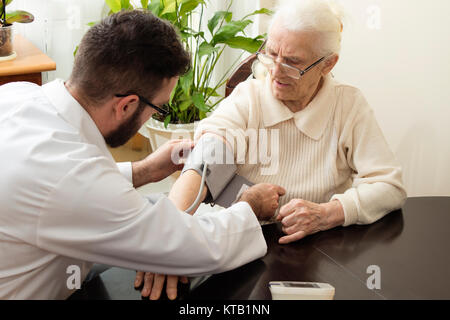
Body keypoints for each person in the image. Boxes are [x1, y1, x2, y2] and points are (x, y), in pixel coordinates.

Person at [0, 10, 285, 299]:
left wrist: (143, 170)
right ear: (126, 105)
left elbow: (69, 186)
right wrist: (249, 206)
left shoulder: (17, 94)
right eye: (158, 108)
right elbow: (194, 247)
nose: (156, 115)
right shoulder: (72, 181)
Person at [135, 0, 407, 299]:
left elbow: (388, 184)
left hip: (318, 256)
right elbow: (206, 159)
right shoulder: (249, 97)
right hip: (242, 246)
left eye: (291, 62)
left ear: (328, 63)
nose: (275, 72)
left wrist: (329, 213)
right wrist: (168, 237)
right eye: (271, 54)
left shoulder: (348, 105)